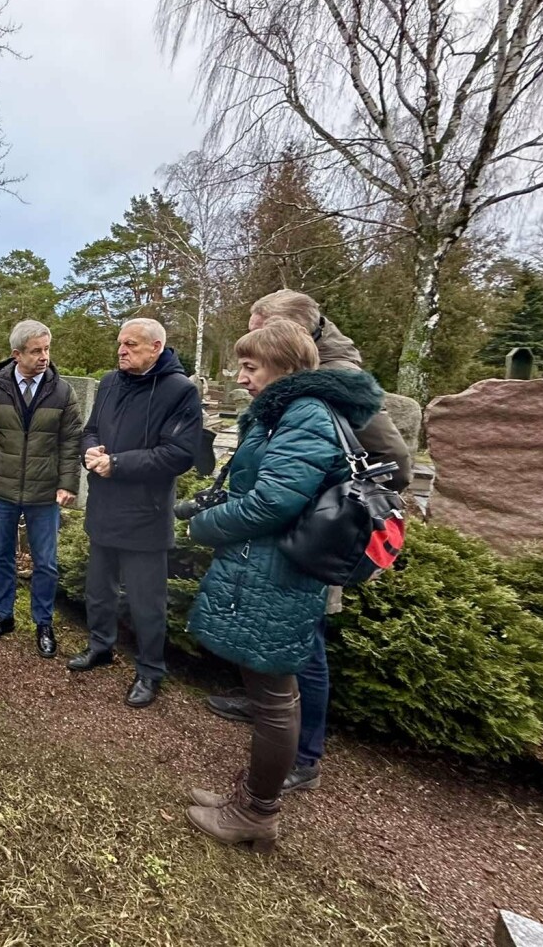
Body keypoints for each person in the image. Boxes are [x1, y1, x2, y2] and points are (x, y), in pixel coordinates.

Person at [183, 318, 386, 850]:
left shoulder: (305, 414)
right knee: (269, 692)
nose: (242, 377)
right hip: (268, 570)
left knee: (274, 698)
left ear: (285, 367)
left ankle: (257, 811)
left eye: (250, 367)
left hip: (278, 574)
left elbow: (273, 501)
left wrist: (202, 526)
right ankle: (250, 795)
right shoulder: (292, 413)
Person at [204, 289, 412, 795]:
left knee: (304, 646)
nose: (243, 370)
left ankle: (304, 754)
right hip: (278, 541)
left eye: (258, 339)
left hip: (313, 538)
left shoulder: (333, 388)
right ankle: (270, 716)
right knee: (277, 644)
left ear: (288, 341)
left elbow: (395, 462)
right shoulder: (290, 392)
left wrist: (329, 499)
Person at [67, 318, 203, 710]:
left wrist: (118, 464)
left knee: (147, 601)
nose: (122, 351)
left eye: (131, 345)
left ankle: (150, 671)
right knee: (99, 590)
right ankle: (100, 646)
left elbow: (178, 454)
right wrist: (90, 451)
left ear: (156, 348)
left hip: (146, 513)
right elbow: (90, 430)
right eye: (120, 344)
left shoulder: (180, 391)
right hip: (105, 506)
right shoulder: (111, 382)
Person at [0, 319, 84, 658]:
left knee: (46, 562)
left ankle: (43, 622)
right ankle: (4, 616)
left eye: (47, 349)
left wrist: (67, 483)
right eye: (36, 351)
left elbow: (71, 440)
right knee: (3, 557)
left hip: (44, 493)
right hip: (3, 490)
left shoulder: (62, 391)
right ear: (16, 354)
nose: (44, 357)